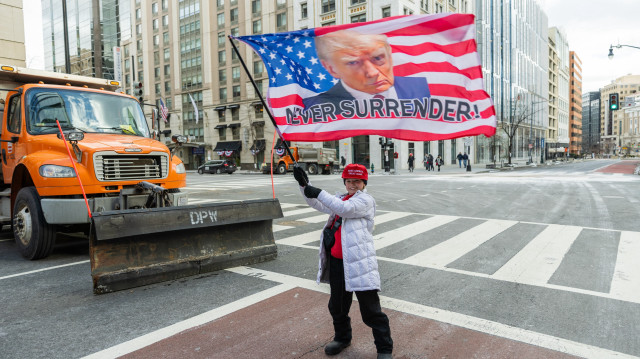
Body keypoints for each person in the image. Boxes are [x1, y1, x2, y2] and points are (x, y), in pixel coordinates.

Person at [293, 164, 393, 359]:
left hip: (360, 264)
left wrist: (319, 192)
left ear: (364, 183)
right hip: (338, 262)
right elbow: (317, 203)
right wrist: (304, 185)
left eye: (357, 181)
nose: (352, 184)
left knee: (371, 311)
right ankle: (342, 338)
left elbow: (344, 209)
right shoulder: (340, 197)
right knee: (337, 306)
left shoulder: (365, 201)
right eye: (348, 181)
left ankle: (384, 348)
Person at [303, 30, 430, 111]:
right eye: (353, 62)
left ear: (390, 55)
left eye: (378, 58)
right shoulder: (315, 107)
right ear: (331, 69)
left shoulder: (423, 88)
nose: (372, 73)